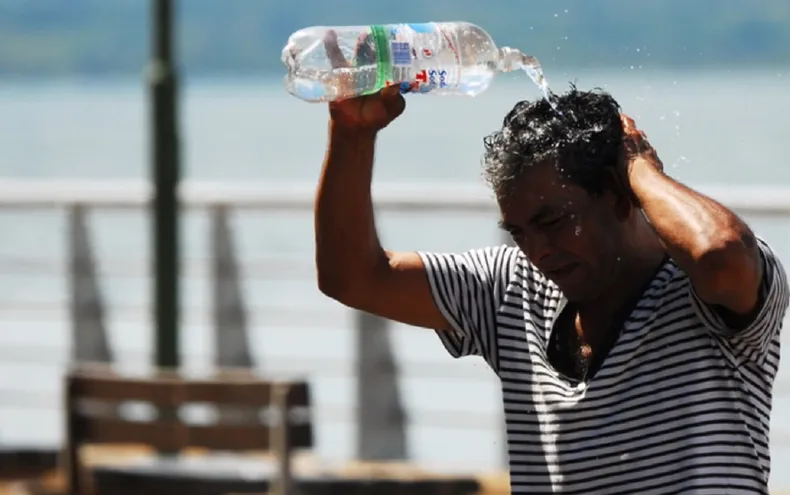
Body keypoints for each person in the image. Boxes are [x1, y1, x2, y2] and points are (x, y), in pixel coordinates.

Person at [314, 34, 789, 495]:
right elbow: (351, 277)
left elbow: (718, 253)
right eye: (519, 232)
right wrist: (352, 135)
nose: (537, 251)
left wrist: (640, 165)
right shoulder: (510, 289)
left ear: (619, 196)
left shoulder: (704, 293)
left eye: (554, 221)